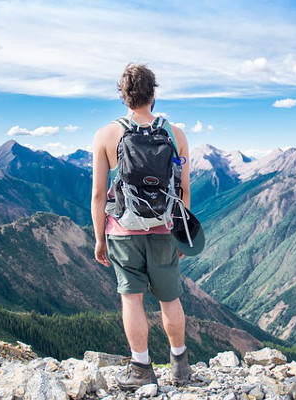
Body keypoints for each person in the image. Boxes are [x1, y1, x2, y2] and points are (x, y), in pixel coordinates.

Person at [91, 62, 191, 390]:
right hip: (164, 229)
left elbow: (97, 194)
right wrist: (183, 235)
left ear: (123, 96)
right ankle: (179, 366)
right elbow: (183, 191)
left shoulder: (106, 135)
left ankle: (141, 368)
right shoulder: (175, 135)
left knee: (131, 300)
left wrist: (99, 239)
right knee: (170, 298)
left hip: (122, 231)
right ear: (153, 93)